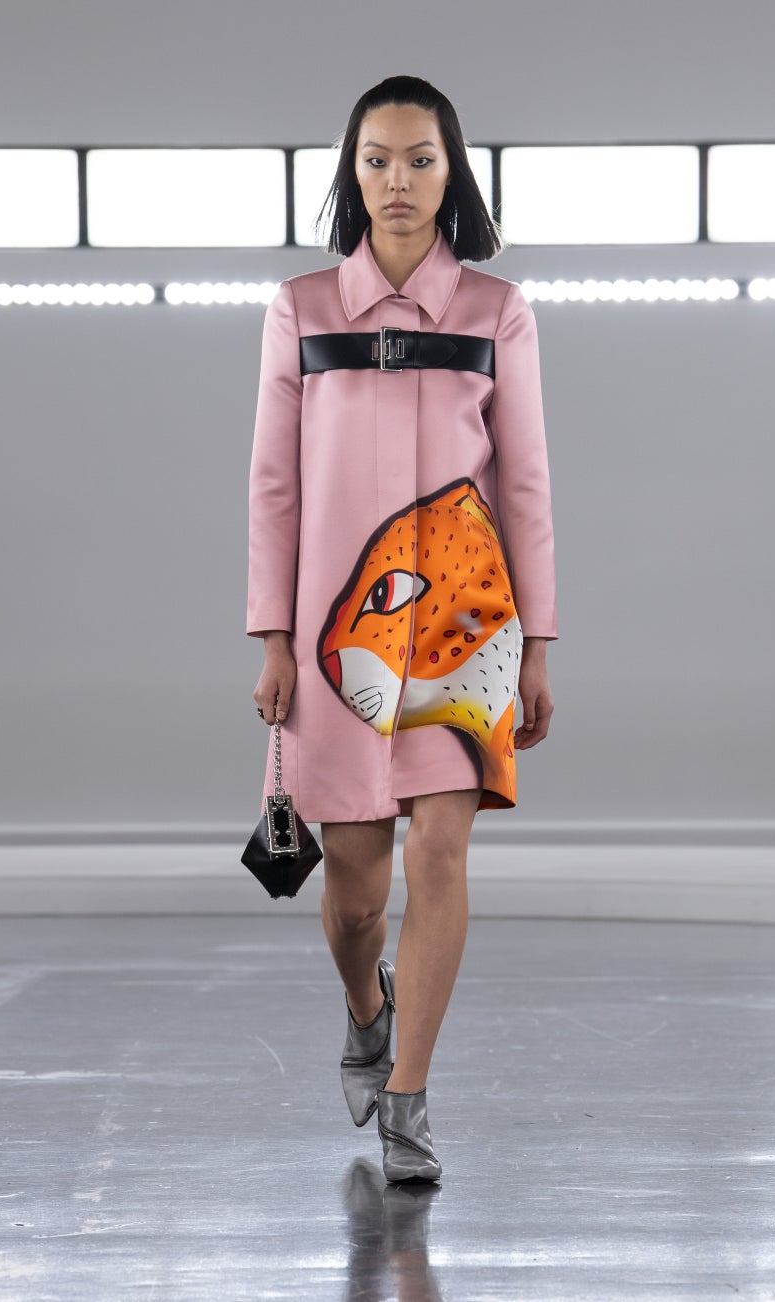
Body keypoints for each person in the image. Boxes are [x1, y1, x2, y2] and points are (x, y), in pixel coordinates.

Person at [246, 75, 558, 1183]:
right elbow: (274, 485)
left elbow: (524, 483)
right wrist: (273, 637)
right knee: (356, 894)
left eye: (421, 159)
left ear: (451, 172)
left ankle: (410, 1099)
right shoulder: (300, 309)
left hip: (469, 635)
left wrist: (540, 643)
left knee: (441, 849)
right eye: (377, 159)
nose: (398, 180)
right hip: (339, 634)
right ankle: (364, 1009)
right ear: (352, 172)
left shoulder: (495, 311)